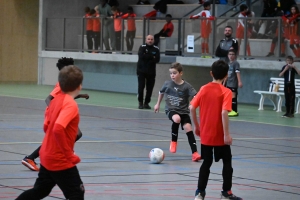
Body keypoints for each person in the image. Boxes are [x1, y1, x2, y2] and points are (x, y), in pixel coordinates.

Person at [16, 65, 85, 200]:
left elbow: (46, 126)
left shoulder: (55, 101)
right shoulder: (70, 104)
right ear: (79, 86)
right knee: (76, 193)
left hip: (46, 156)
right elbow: (58, 128)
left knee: (40, 190)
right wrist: (68, 154)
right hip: (60, 159)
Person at [21, 58, 89, 172]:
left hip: (58, 113)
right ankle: (31, 158)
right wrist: (55, 111)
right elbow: (48, 99)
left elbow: (64, 96)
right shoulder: (59, 85)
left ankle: (35, 157)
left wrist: (80, 95)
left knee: (76, 134)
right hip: (56, 114)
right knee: (68, 136)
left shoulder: (65, 85)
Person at [190, 60, 242, 200]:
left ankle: (200, 192)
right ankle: (226, 192)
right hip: (220, 136)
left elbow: (192, 107)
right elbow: (224, 113)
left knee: (206, 163)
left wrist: (196, 126)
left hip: (206, 134)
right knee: (227, 163)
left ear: (211, 73)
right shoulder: (226, 91)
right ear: (226, 76)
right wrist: (227, 135)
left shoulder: (203, 88)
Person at [154, 62, 201, 161]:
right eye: (171, 73)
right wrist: (157, 104)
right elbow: (161, 92)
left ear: (181, 73)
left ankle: (195, 153)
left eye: (174, 73)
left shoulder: (186, 86)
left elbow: (196, 96)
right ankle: (173, 142)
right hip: (171, 110)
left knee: (188, 128)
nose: (172, 75)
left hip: (184, 111)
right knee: (176, 118)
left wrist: (193, 103)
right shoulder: (167, 84)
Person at [137, 35, 160, 109]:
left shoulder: (156, 49)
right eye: (148, 39)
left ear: (153, 40)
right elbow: (141, 56)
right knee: (141, 87)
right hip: (141, 71)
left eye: (151, 39)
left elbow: (157, 59)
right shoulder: (142, 47)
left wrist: (146, 56)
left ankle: (146, 103)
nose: (150, 40)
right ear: (146, 40)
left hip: (151, 72)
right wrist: (151, 56)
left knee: (149, 88)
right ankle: (140, 102)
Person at [224, 49, 243, 117]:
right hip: (228, 83)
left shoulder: (236, 63)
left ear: (235, 56)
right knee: (229, 97)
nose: (231, 56)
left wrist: (239, 81)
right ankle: (231, 110)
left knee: (233, 96)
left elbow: (237, 72)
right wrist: (224, 83)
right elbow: (227, 74)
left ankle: (234, 111)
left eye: (233, 54)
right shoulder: (228, 63)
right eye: (230, 54)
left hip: (233, 83)